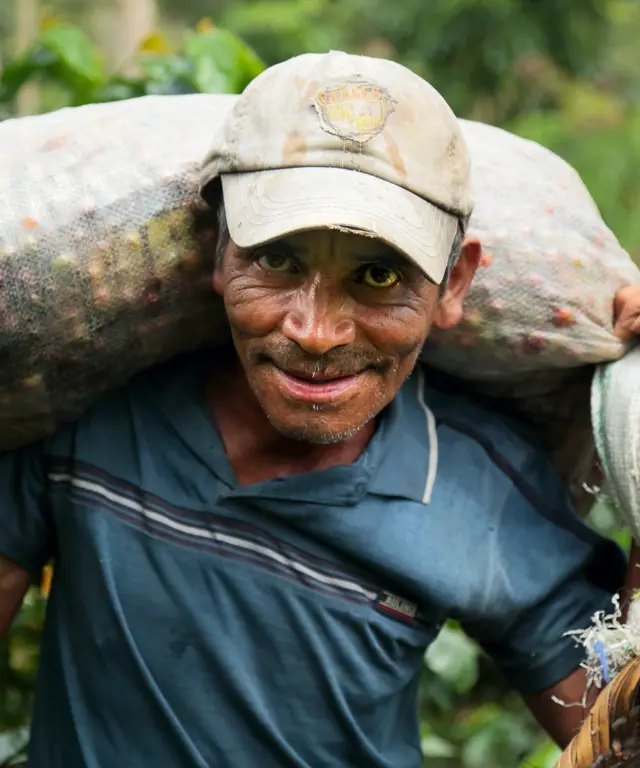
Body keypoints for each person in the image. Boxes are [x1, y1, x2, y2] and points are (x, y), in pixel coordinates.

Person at [1, 51, 640, 768]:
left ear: (455, 283)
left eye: (378, 275)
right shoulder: (92, 411)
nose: (315, 331)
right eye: (277, 260)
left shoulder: (475, 480)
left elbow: (621, 731)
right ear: (219, 248)